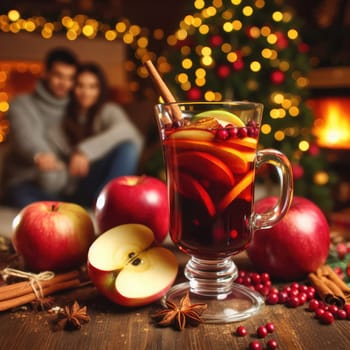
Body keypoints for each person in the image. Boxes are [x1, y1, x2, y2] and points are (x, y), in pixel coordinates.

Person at [58, 62, 143, 206]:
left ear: (100, 89)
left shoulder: (109, 110)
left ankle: (110, 201)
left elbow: (131, 133)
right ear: (72, 87)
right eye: (80, 85)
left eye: (92, 87)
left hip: (101, 184)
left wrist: (84, 151)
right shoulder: (61, 114)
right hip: (72, 184)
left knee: (128, 148)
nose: (86, 92)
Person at [4, 47, 79, 208]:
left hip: (65, 185)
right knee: (37, 210)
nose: (64, 83)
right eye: (59, 75)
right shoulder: (21, 103)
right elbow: (25, 136)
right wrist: (40, 154)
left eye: (70, 78)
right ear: (46, 73)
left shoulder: (75, 108)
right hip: (25, 181)